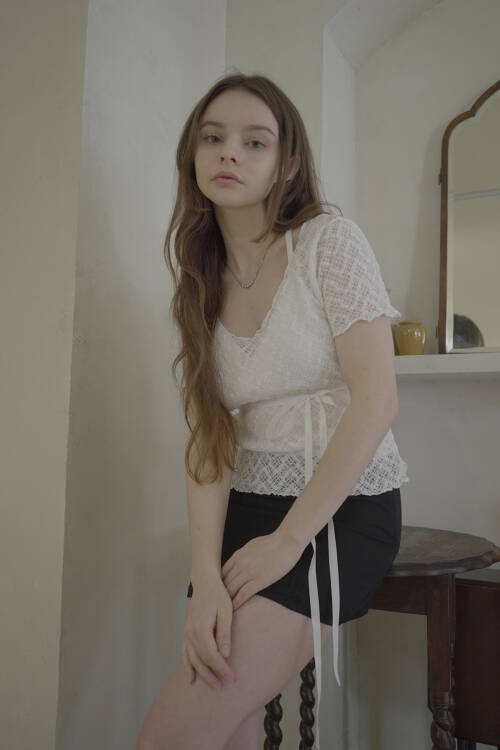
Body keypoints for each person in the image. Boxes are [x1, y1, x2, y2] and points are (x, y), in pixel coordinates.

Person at [136, 71, 408, 750]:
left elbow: (377, 400)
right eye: (213, 138)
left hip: (340, 511)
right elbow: (210, 436)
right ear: (192, 155)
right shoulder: (199, 277)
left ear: (287, 163)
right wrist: (204, 579)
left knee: (171, 734)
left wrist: (288, 541)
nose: (229, 152)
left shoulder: (328, 242)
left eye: (254, 142)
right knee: (223, 730)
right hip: (247, 509)